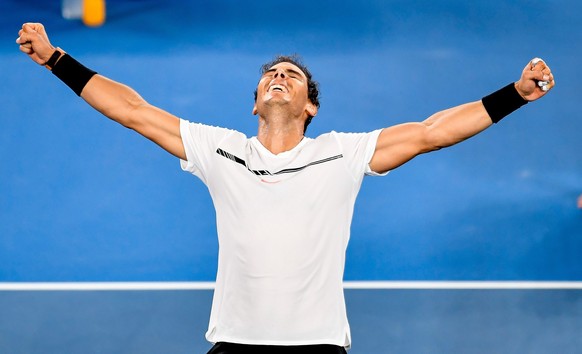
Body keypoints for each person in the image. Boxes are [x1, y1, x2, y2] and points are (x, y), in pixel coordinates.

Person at [16, 22, 555, 354]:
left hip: (317, 348)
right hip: (234, 344)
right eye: (271, 73)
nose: (279, 75)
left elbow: (432, 132)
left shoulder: (342, 153)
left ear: (310, 107)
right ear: (255, 103)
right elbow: (132, 111)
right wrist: (55, 59)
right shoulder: (220, 149)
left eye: (292, 75)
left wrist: (515, 94)